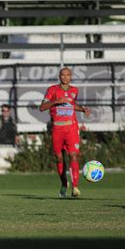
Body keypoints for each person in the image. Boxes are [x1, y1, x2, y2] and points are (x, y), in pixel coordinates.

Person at [39, 67, 90, 198]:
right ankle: (63, 183)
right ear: (59, 76)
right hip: (57, 129)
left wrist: (82, 109)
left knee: (73, 156)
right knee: (59, 158)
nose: (65, 77)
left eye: (68, 75)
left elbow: (72, 106)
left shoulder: (74, 90)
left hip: (71, 128)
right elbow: (42, 107)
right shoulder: (52, 90)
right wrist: (56, 101)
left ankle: (75, 187)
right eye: (63, 75)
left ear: (71, 76)